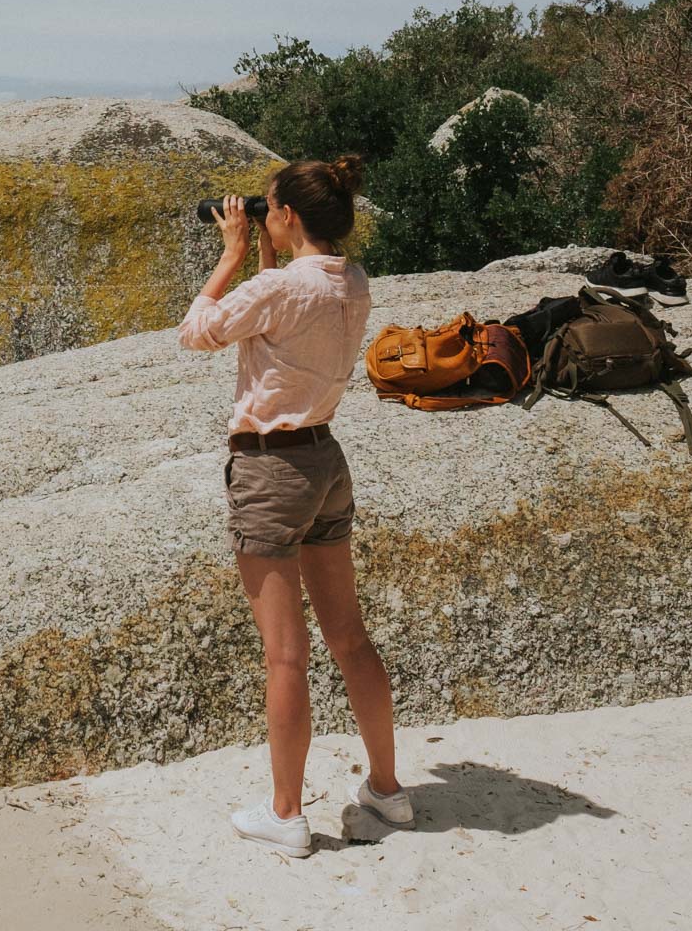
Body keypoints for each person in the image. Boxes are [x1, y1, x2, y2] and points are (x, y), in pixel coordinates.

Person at [178, 157, 408, 858]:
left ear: (286, 216)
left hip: (271, 471)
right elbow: (289, 295)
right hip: (326, 461)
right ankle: (387, 790)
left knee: (286, 657)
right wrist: (268, 249)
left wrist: (231, 253)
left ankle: (285, 815)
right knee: (350, 637)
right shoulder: (353, 281)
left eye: (270, 208)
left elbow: (200, 331)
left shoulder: (275, 287)